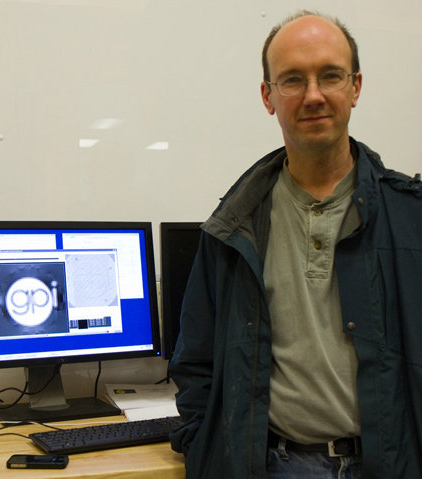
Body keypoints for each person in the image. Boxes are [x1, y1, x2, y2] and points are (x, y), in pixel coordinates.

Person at [169, 10, 422, 479]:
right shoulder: (232, 225)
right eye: (292, 80)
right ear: (268, 96)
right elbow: (196, 361)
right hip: (272, 465)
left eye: (329, 75)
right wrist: (202, 444)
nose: (313, 95)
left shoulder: (411, 219)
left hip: (392, 464)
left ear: (355, 86)